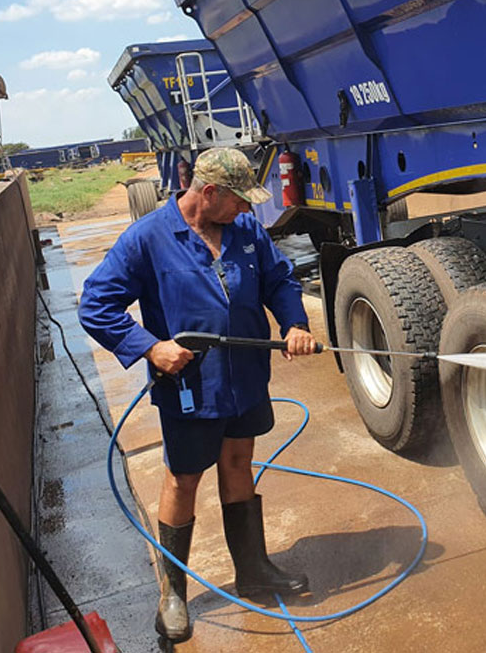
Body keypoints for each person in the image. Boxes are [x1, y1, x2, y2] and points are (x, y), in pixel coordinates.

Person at [78, 147, 318, 643]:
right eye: (238, 201)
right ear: (208, 193)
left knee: (238, 464)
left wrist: (295, 322)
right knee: (183, 480)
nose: (247, 211)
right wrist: (150, 348)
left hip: (246, 379)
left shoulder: (246, 232)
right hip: (191, 385)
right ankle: (173, 594)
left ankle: (252, 570)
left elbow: (279, 279)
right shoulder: (148, 239)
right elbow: (96, 305)